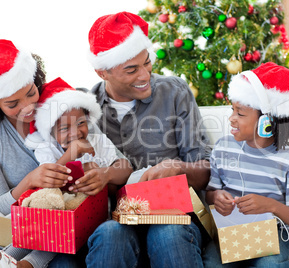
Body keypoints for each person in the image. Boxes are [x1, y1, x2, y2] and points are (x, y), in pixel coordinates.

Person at [84, 11, 211, 268]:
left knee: (167, 233)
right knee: (111, 235)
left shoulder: (175, 92)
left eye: (147, 62)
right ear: (102, 72)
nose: (144, 76)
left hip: (173, 219)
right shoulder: (84, 108)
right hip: (115, 223)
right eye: (131, 69)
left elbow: (206, 169)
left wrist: (180, 168)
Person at [0, 77, 134, 268]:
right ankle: (1, 259)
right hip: (63, 212)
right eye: (65, 128)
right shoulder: (46, 148)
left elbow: (126, 168)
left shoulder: (97, 140)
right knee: (47, 224)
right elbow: (53, 178)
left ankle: (21, 264)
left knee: (54, 228)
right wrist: (71, 154)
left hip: (94, 213)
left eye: (81, 123)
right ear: (50, 132)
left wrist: (106, 174)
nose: (75, 133)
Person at [0, 39, 81, 268]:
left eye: (31, 93)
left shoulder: (61, 108)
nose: (28, 107)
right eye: (13, 103)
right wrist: (30, 181)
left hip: (52, 235)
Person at [204, 62, 289, 267]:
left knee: (270, 264)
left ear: (267, 121)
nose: (231, 119)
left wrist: (271, 206)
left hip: (274, 232)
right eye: (232, 110)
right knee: (212, 263)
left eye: (240, 113)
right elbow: (211, 193)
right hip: (230, 232)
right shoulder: (223, 148)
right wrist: (216, 197)